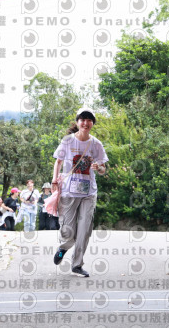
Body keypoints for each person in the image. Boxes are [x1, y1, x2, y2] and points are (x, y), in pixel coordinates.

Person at [52, 107, 108, 277]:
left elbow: (103, 169)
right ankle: (64, 247)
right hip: (69, 192)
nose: (86, 123)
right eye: (82, 119)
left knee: (84, 231)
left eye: (89, 120)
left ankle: (77, 265)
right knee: (68, 230)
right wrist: (54, 180)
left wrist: (98, 168)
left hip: (89, 192)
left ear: (93, 123)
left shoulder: (96, 144)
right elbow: (58, 162)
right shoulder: (68, 141)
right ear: (77, 122)